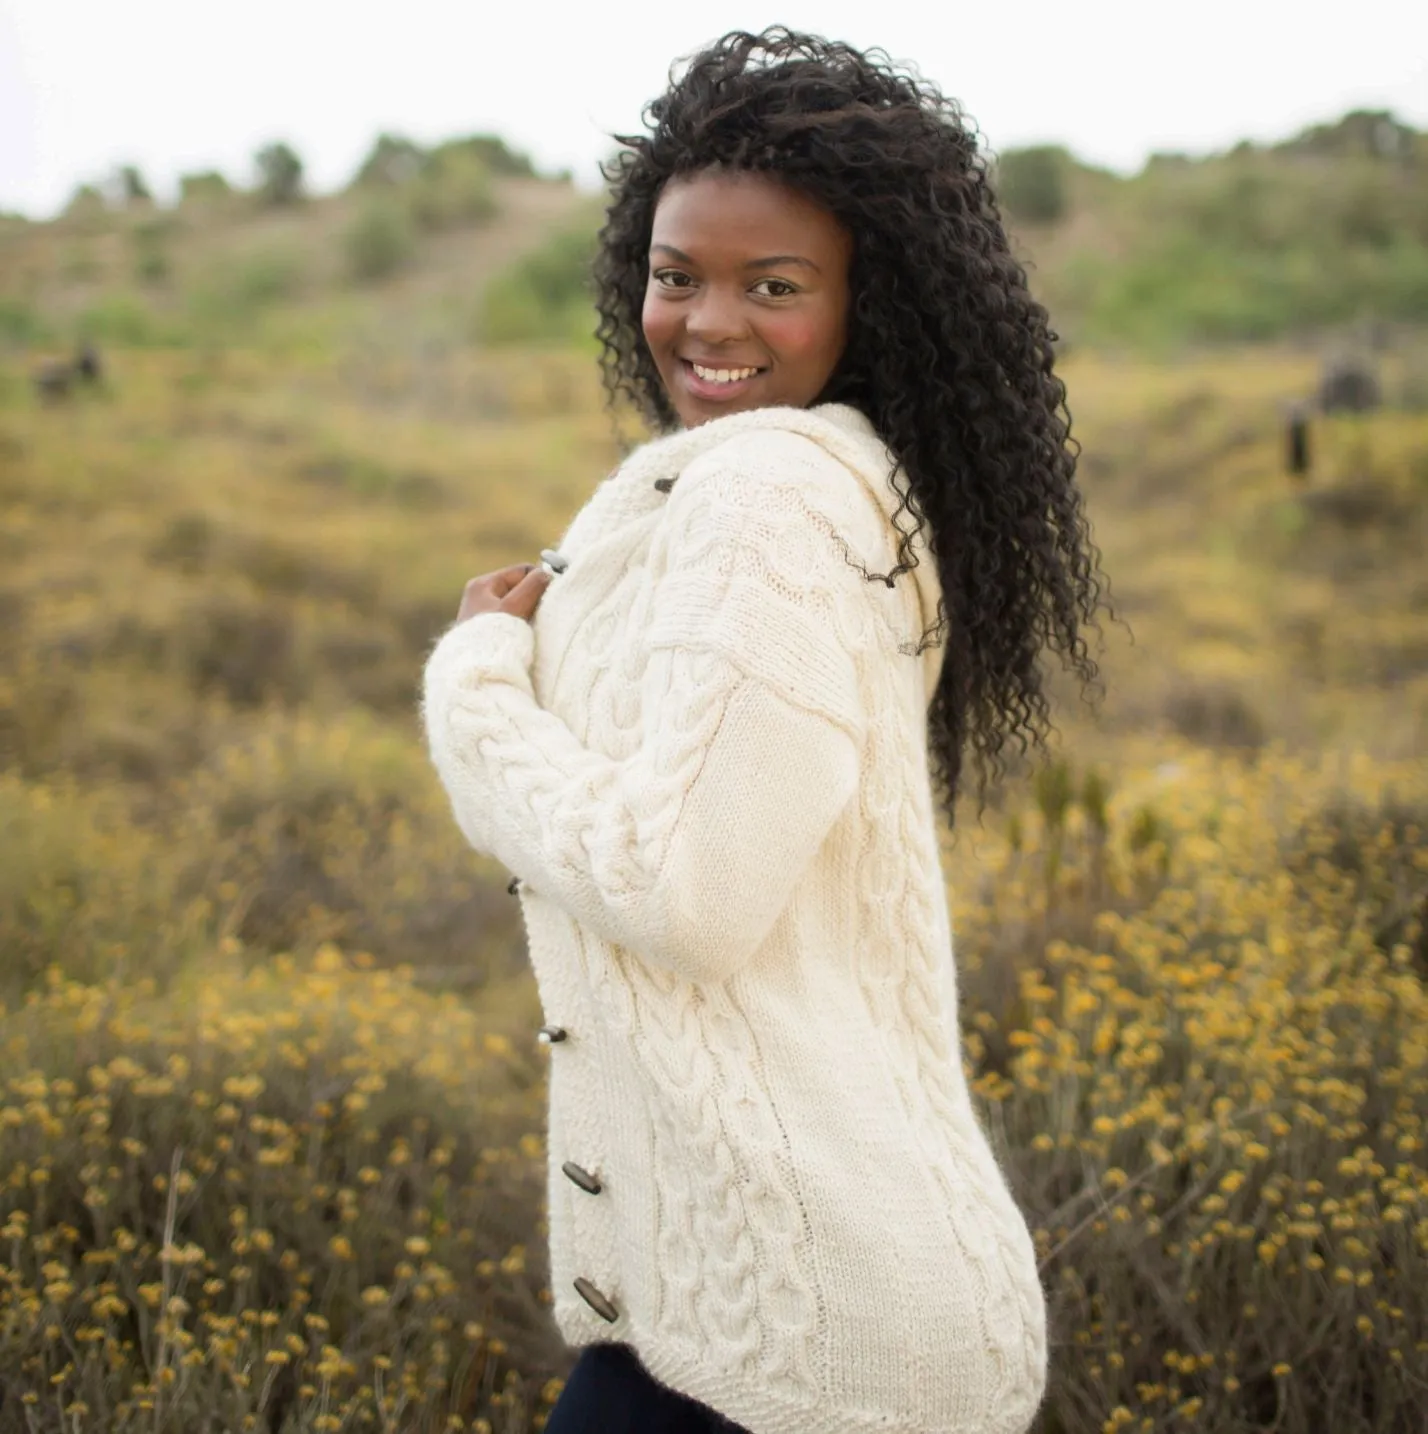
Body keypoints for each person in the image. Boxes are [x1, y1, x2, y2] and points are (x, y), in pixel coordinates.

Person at [421, 26, 1112, 1434]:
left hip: (794, 1340)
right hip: (773, 1307)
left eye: (774, 286)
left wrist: (476, 685)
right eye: (677, 275)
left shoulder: (771, 504)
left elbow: (681, 891)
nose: (709, 322)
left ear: (873, 304)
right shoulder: (831, 489)